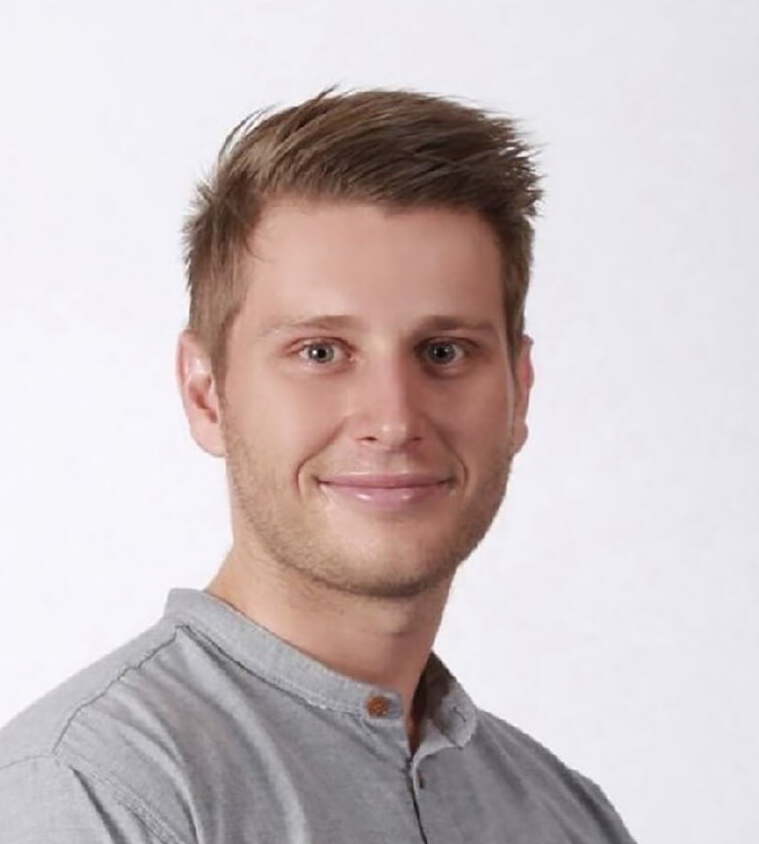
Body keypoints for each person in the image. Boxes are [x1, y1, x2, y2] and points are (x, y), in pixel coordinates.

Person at [0, 85, 637, 843]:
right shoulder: (92, 792)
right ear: (206, 394)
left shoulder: (566, 815)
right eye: (320, 353)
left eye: (444, 351)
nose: (394, 420)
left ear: (519, 391)